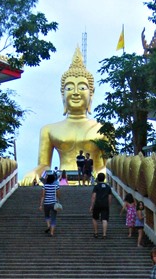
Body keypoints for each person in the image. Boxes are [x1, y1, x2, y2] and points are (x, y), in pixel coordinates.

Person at [20, 47, 105, 185]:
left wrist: (103, 173)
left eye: (82, 88)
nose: (76, 92)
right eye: (69, 88)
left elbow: (109, 165)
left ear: (92, 93)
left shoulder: (103, 129)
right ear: (62, 94)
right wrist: (34, 172)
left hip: (94, 180)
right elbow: (44, 165)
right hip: (61, 181)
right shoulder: (49, 130)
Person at [89, 172, 112, 238]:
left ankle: (96, 233)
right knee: (104, 219)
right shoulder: (108, 187)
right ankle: (104, 234)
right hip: (105, 204)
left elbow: (94, 196)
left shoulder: (96, 187)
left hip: (97, 204)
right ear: (104, 178)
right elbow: (110, 197)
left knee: (94, 218)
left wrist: (91, 206)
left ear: (98, 179)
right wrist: (109, 205)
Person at [39, 172, 61, 237]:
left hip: (46, 203)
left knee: (47, 216)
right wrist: (58, 199)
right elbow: (58, 195)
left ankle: (48, 226)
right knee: (53, 218)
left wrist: (40, 205)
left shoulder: (45, 186)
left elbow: (42, 196)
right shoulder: (56, 186)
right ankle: (52, 233)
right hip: (54, 203)